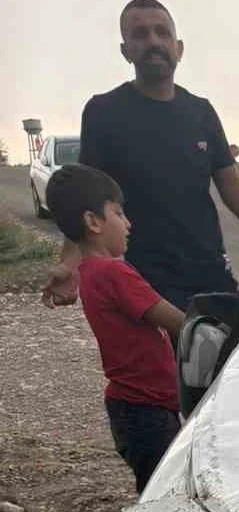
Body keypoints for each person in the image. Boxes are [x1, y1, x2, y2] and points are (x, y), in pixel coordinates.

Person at [43, 0, 239, 312]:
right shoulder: (104, 112)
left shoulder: (201, 112)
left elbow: (235, 192)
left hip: (213, 275)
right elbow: (85, 200)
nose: (154, 41)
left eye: (162, 32)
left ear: (178, 48)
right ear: (126, 50)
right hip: (145, 286)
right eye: (140, 34)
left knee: (231, 342)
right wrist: (69, 265)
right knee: (174, 347)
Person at [46, 162, 184, 493]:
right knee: (162, 496)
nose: (128, 223)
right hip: (147, 410)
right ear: (93, 222)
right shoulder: (114, 273)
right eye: (119, 213)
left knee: (157, 489)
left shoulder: (90, 272)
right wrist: (224, 325)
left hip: (133, 407)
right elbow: (179, 322)